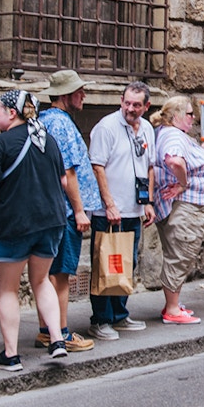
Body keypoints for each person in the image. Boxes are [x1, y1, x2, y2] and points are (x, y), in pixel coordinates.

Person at [0, 90, 70, 371]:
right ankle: (57, 339)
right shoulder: (48, 140)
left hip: (13, 224)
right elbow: (63, 180)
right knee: (42, 281)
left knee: (9, 290)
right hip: (51, 221)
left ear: (12, 113)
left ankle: (11, 355)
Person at [34, 70, 98, 353]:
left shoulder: (46, 121)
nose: (83, 95)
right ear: (64, 94)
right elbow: (68, 171)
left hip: (52, 209)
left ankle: (47, 329)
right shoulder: (60, 124)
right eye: (78, 90)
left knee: (48, 273)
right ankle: (59, 332)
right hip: (66, 213)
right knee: (60, 274)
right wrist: (79, 210)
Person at [87, 81, 155, 340]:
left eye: (137, 105)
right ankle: (100, 319)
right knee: (106, 263)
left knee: (127, 263)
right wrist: (109, 204)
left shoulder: (146, 128)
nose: (130, 108)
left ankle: (119, 314)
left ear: (146, 106)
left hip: (134, 208)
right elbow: (97, 167)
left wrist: (147, 201)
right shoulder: (107, 127)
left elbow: (150, 167)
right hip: (110, 212)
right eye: (127, 102)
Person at [150, 96, 204, 325]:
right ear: (176, 116)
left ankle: (172, 304)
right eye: (189, 114)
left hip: (189, 207)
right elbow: (174, 161)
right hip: (186, 207)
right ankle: (172, 310)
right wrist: (182, 183)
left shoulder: (172, 134)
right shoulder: (172, 134)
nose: (193, 118)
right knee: (179, 254)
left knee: (181, 253)